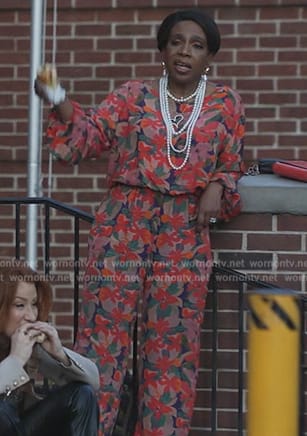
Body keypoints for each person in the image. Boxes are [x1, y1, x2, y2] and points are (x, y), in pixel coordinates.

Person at [35, 7, 245, 436]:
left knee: (172, 352)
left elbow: (233, 161)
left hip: (184, 232)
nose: (185, 51)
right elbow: (89, 138)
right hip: (123, 228)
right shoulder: (134, 95)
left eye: (197, 45)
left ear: (210, 57)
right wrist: (59, 100)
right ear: (162, 50)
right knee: (102, 342)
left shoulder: (226, 104)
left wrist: (218, 184)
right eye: (176, 42)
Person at [0, 261, 100, 436]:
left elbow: (94, 381)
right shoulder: (19, 352)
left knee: (82, 394)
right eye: (19, 305)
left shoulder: (28, 345)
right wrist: (15, 361)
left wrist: (59, 353)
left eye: (34, 304)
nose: (31, 316)